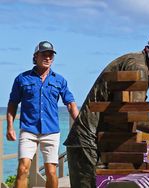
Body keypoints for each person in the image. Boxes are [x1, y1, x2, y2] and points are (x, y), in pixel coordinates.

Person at [64, 24, 149, 188]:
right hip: (88, 143)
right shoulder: (138, 68)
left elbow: (124, 114)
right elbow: (137, 118)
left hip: (95, 142)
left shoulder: (139, 63)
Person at [6, 41, 79, 188]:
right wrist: (10, 127)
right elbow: (13, 103)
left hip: (51, 131)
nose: (47, 58)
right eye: (44, 55)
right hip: (29, 129)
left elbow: (70, 104)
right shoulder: (22, 79)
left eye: (50, 55)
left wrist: (80, 125)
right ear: (35, 57)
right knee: (22, 168)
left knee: (51, 171)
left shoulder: (60, 80)